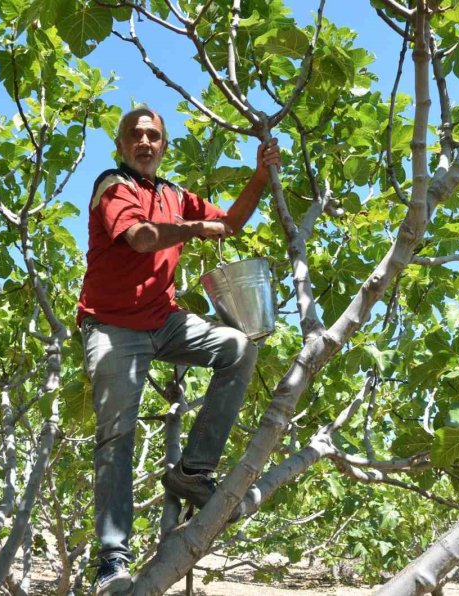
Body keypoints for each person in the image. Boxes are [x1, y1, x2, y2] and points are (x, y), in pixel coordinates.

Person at [76, 105, 281, 595]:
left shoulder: (173, 194)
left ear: (163, 145)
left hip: (163, 320)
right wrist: (194, 229)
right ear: (122, 145)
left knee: (237, 347)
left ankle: (192, 471)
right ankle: (111, 559)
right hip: (111, 328)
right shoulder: (113, 186)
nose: (145, 142)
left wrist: (260, 174)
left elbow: (230, 221)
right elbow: (141, 237)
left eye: (154, 136)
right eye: (135, 135)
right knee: (116, 436)